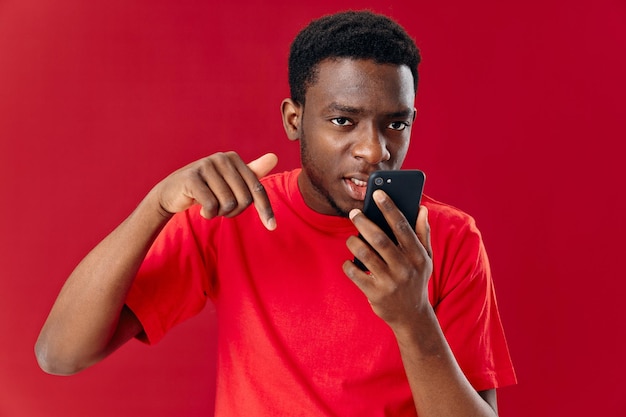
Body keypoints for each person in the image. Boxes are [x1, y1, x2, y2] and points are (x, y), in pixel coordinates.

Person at [36, 10, 516, 416]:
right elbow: (59, 355)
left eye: (396, 123)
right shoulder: (235, 217)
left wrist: (412, 318)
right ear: (294, 119)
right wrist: (157, 204)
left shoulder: (447, 238)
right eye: (343, 120)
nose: (374, 150)